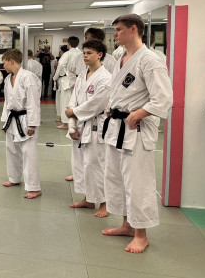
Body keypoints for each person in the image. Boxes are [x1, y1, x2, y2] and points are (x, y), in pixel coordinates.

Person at [101, 14, 172, 253]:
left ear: (133, 29)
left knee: (137, 182)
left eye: (119, 30)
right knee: (117, 179)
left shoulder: (150, 60)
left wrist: (138, 113)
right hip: (117, 127)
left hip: (136, 129)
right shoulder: (122, 57)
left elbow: (163, 98)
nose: (115, 34)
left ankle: (141, 234)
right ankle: (127, 225)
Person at [65, 40, 111, 217]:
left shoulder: (105, 78)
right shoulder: (82, 75)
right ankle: (88, 199)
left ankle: (104, 203)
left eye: (89, 53)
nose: (85, 56)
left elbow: (96, 104)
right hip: (80, 124)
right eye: (84, 52)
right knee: (81, 165)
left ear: (99, 55)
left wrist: (74, 112)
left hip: (95, 127)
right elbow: (73, 99)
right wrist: (71, 125)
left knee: (95, 165)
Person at [0, 49, 42, 199]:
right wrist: (5, 122)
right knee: (11, 149)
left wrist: (32, 124)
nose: (3, 65)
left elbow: (33, 102)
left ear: (12, 61)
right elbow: (7, 102)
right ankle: (14, 178)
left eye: (4, 62)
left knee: (28, 153)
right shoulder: (8, 79)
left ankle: (34, 187)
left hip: (25, 118)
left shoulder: (28, 77)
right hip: (12, 118)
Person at [54, 38, 82, 129]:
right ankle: (75, 122)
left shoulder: (67, 53)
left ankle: (65, 123)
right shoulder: (81, 53)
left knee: (65, 101)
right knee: (75, 102)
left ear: (68, 44)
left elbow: (61, 64)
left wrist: (55, 77)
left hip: (66, 79)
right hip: (78, 79)